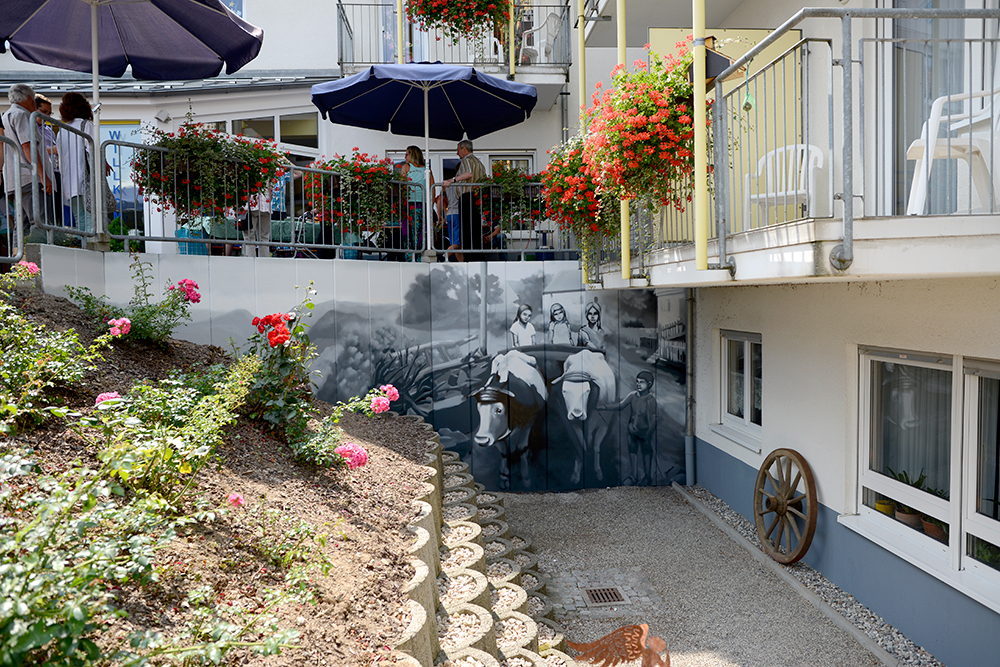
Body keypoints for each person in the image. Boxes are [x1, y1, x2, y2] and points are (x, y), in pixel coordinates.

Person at [3, 84, 54, 238]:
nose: (33, 103)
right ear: (27, 99)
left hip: (15, 179)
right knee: (40, 223)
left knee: (22, 225)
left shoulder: (6, 115)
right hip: (29, 177)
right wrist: (43, 176)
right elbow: (28, 147)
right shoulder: (22, 115)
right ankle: (39, 258)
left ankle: (21, 260)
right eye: (32, 99)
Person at [602, 370, 657, 485]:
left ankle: (647, 477)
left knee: (646, 453)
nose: (638, 384)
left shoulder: (651, 400)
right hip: (632, 431)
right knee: (633, 452)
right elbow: (620, 406)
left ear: (649, 384)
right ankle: (634, 476)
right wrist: (604, 407)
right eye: (637, 382)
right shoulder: (632, 396)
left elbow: (653, 418)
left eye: (641, 382)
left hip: (645, 432)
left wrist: (649, 433)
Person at [55, 92, 96, 234]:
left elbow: (60, 154)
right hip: (85, 178)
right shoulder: (86, 125)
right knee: (90, 217)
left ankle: (82, 247)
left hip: (68, 180)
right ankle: (90, 250)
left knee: (79, 218)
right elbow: (92, 151)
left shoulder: (63, 129)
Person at [440, 139, 485, 261]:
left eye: (458, 149)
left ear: (464, 148)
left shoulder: (467, 160)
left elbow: (469, 174)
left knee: (466, 231)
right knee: (474, 230)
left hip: (467, 197)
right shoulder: (480, 163)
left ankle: (469, 259)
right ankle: (476, 258)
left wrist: (453, 180)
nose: (457, 153)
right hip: (477, 197)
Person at [399, 145, 434, 259]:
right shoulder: (426, 170)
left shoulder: (407, 167)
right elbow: (432, 188)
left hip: (410, 204)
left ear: (412, 155)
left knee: (409, 233)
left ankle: (410, 258)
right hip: (422, 205)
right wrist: (430, 205)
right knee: (419, 233)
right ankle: (418, 257)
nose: (405, 156)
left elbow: (402, 186)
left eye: (407, 154)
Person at [35, 94, 61, 225]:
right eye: (43, 112)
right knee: (43, 213)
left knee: (55, 212)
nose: (47, 116)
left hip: (54, 171)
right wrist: (53, 150)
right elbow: (29, 148)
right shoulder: (30, 126)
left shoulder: (48, 130)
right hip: (41, 173)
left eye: (49, 113)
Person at [243, 187, 272, 257]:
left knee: (249, 237)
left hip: (250, 205)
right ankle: (264, 261)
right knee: (264, 237)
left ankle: (250, 260)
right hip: (265, 205)